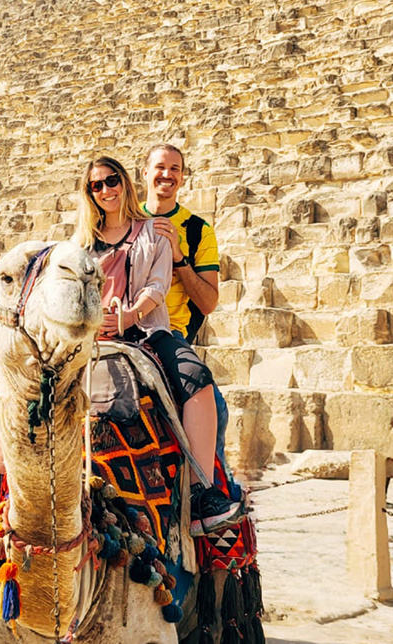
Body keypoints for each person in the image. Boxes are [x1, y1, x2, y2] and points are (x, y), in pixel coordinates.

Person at [0, 155, 242, 536]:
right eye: (96, 185)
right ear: (89, 194)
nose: (105, 190)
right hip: (90, 336)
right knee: (25, 380)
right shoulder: (79, 245)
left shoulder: (155, 232)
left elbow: (158, 285)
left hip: (145, 333)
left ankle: (202, 493)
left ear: (126, 183)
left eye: (111, 180)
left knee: (195, 378)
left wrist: (128, 316)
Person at [142, 143, 238, 505]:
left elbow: (209, 302)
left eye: (175, 169)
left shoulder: (199, 231)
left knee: (212, 404)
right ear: (145, 172)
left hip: (168, 333)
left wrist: (181, 258)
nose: (166, 175)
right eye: (160, 167)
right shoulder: (122, 220)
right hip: (116, 329)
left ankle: (209, 500)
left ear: (182, 177)